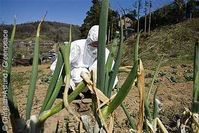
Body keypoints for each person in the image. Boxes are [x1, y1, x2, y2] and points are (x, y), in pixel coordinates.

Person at [50, 25, 117, 90]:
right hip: (75, 71)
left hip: (92, 74)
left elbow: (110, 68)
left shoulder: (104, 51)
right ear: (90, 40)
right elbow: (59, 64)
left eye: (99, 44)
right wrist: (65, 79)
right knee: (79, 76)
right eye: (95, 43)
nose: (96, 46)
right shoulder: (77, 46)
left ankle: (95, 90)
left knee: (105, 78)